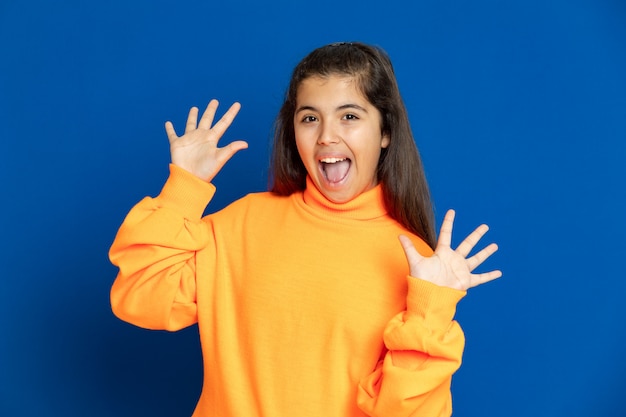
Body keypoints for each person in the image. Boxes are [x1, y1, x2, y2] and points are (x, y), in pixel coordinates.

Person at [109, 41, 501, 417]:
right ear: (292, 132)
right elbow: (141, 299)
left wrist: (429, 312)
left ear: (385, 133)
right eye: (310, 118)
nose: (327, 136)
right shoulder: (243, 223)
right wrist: (184, 189)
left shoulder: (415, 264)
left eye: (349, 116)